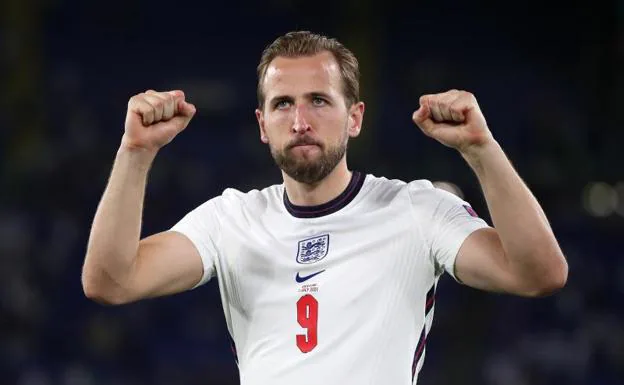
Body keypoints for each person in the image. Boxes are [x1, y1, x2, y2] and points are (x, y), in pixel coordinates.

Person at [81, 31, 568, 384]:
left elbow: (539, 273)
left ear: (355, 117)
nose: (299, 121)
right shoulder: (230, 219)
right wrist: (135, 154)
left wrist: (481, 148)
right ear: (261, 123)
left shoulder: (416, 210)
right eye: (282, 104)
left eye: (318, 100)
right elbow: (110, 282)